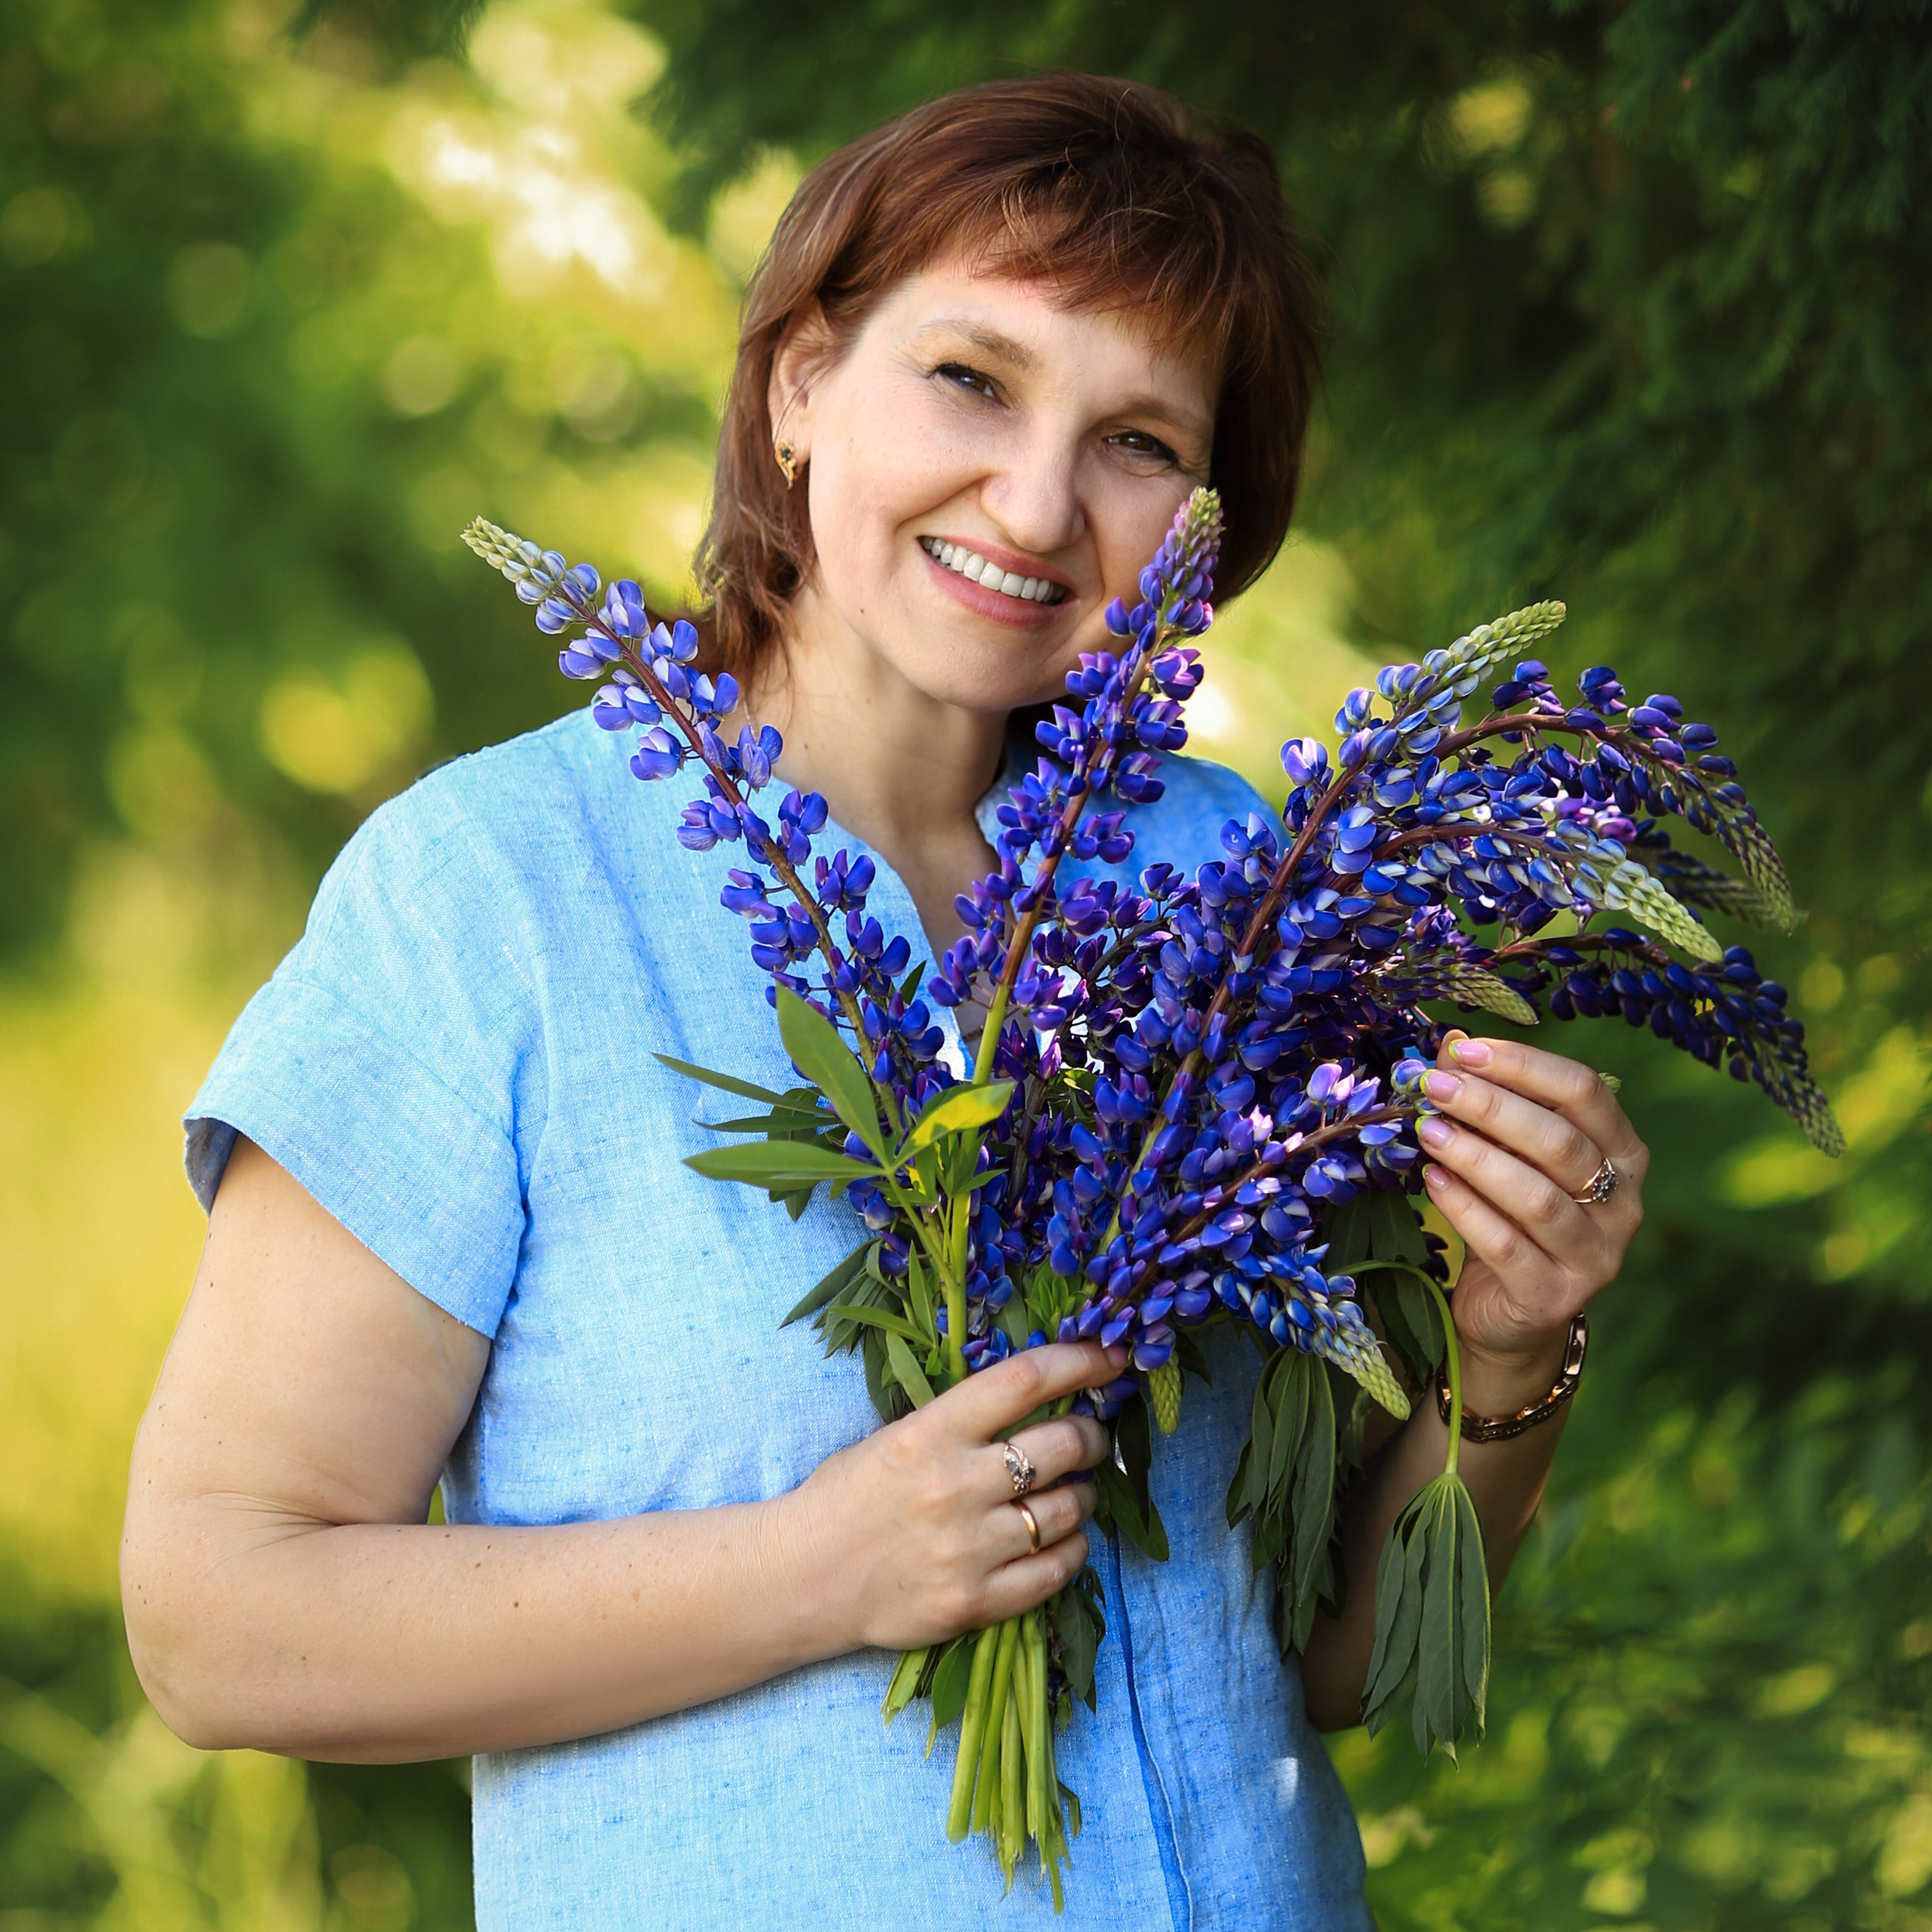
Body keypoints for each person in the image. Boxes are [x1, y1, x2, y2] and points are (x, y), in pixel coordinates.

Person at [121, 73, 1648, 1930]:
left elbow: (1326, 1659)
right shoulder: (496, 892)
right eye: (971, 378)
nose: (1035, 498)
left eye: (1139, 440)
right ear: (796, 383)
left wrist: (1508, 1358)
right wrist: (814, 1568)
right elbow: (219, 1621)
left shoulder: (1228, 874)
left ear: (1199, 526)